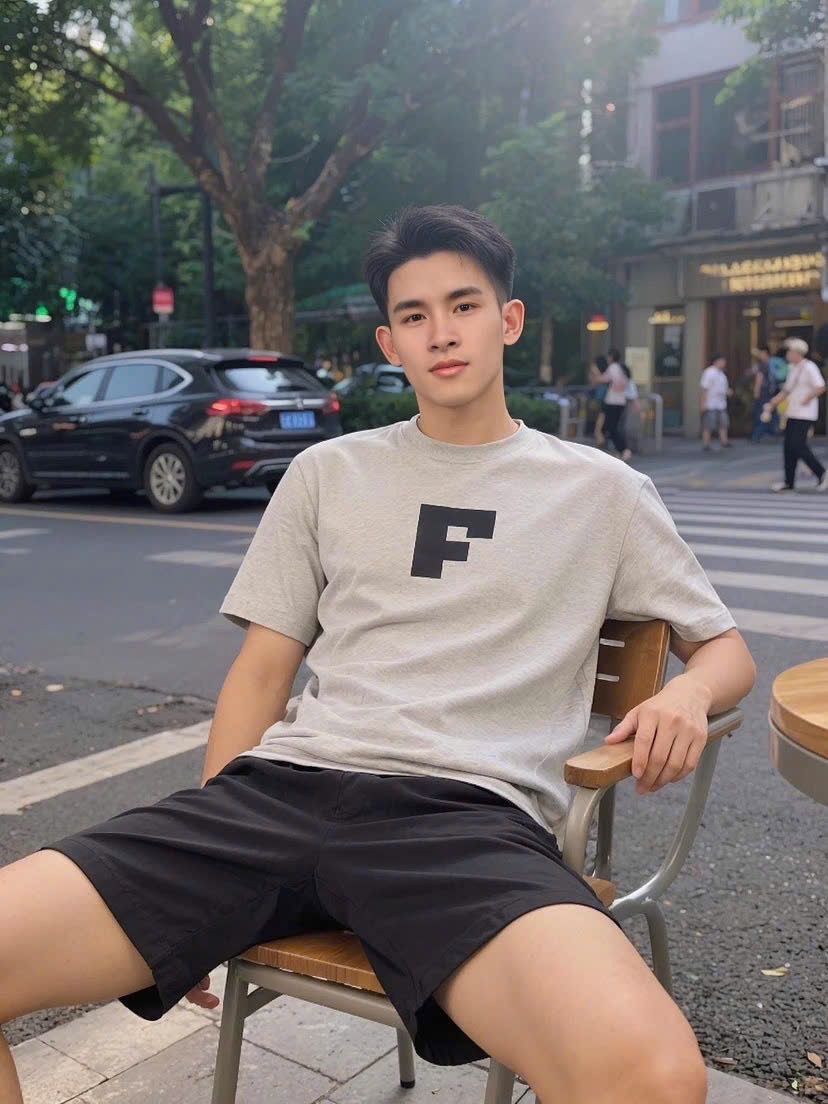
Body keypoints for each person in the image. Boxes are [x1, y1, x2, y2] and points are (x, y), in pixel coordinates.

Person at [0, 205, 757, 1104]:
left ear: (509, 320)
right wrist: (202, 878)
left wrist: (685, 695)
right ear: (390, 343)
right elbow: (262, 674)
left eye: (464, 305)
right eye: (414, 315)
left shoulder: (602, 493)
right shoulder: (329, 474)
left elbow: (725, 650)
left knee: (654, 1078)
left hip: (464, 818)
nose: (442, 333)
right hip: (276, 796)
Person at [761, 337, 828, 493]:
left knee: (797, 445)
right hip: (792, 412)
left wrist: (807, 398)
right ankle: (788, 482)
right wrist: (772, 404)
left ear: (797, 353)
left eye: (789, 351)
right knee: (788, 447)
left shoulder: (809, 367)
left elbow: (820, 387)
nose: (787, 354)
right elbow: (786, 391)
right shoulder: (793, 368)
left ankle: (822, 473)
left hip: (805, 414)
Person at [589, 347, 632, 462]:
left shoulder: (613, 368)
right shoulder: (621, 368)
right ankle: (618, 451)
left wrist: (595, 371)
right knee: (612, 427)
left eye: (608, 356)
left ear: (611, 357)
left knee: (611, 428)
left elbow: (602, 380)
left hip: (612, 402)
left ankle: (624, 450)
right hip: (621, 401)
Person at [699, 355, 733, 451]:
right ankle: (706, 443)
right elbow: (704, 388)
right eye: (722, 361)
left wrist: (728, 391)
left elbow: (722, 388)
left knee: (723, 423)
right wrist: (703, 403)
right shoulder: (709, 372)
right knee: (709, 424)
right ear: (716, 361)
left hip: (721, 403)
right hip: (711, 403)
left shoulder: (721, 374)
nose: (724, 363)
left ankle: (724, 441)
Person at [751, 346, 780, 442]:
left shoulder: (763, 365)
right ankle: (772, 433)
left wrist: (756, 392)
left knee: (762, 413)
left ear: (765, 353)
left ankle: (757, 435)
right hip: (773, 391)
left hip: (764, 393)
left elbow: (759, 378)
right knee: (771, 413)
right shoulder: (773, 363)